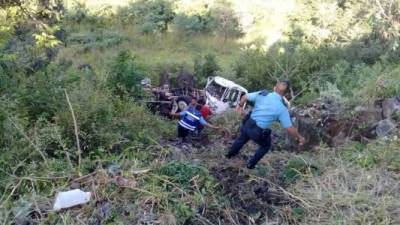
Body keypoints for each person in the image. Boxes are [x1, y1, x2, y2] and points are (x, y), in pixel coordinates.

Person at [226, 80, 306, 169]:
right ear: (286, 95)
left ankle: (229, 155)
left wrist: (240, 106)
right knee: (265, 146)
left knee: (242, 138)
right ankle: (250, 165)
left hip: (248, 123)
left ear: (274, 88)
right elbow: (289, 128)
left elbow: (245, 97)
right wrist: (300, 138)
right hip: (258, 132)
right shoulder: (282, 109)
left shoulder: (262, 94)